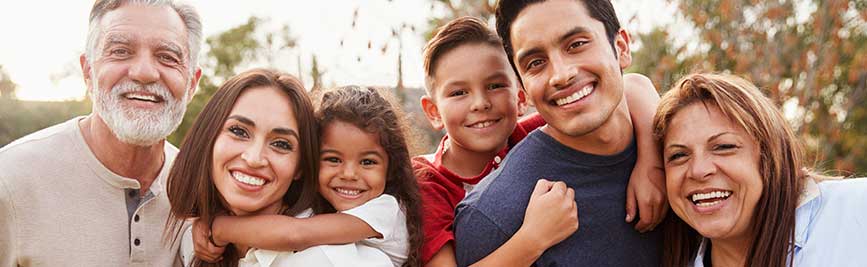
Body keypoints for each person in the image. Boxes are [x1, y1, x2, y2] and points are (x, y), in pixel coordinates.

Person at [415, 16, 664, 266]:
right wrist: (533, 239)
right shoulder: (427, 184)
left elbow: (633, 83)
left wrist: (651, 162)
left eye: (495, 85)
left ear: (522, 98)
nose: (480, 103)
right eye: (459, 93)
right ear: (434, 111)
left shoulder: (529, 135)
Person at [0, 0, 202, 265]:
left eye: (167, 57)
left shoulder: (201, 192)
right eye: (120, 51)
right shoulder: (10, 180)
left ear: (192, 84)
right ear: (88, 71)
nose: (144, 73)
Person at [173, 82, 423, 266]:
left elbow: (295, 234)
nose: (348, 173)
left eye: (281, 144)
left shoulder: (383, 211)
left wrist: (218, 227)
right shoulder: (184, 241)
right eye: (333, 159)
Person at [654, 73, 867, 267]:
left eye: (723, 147)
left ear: (769, 156)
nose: (699, 170)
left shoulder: (856, 211)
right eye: (678, 155)